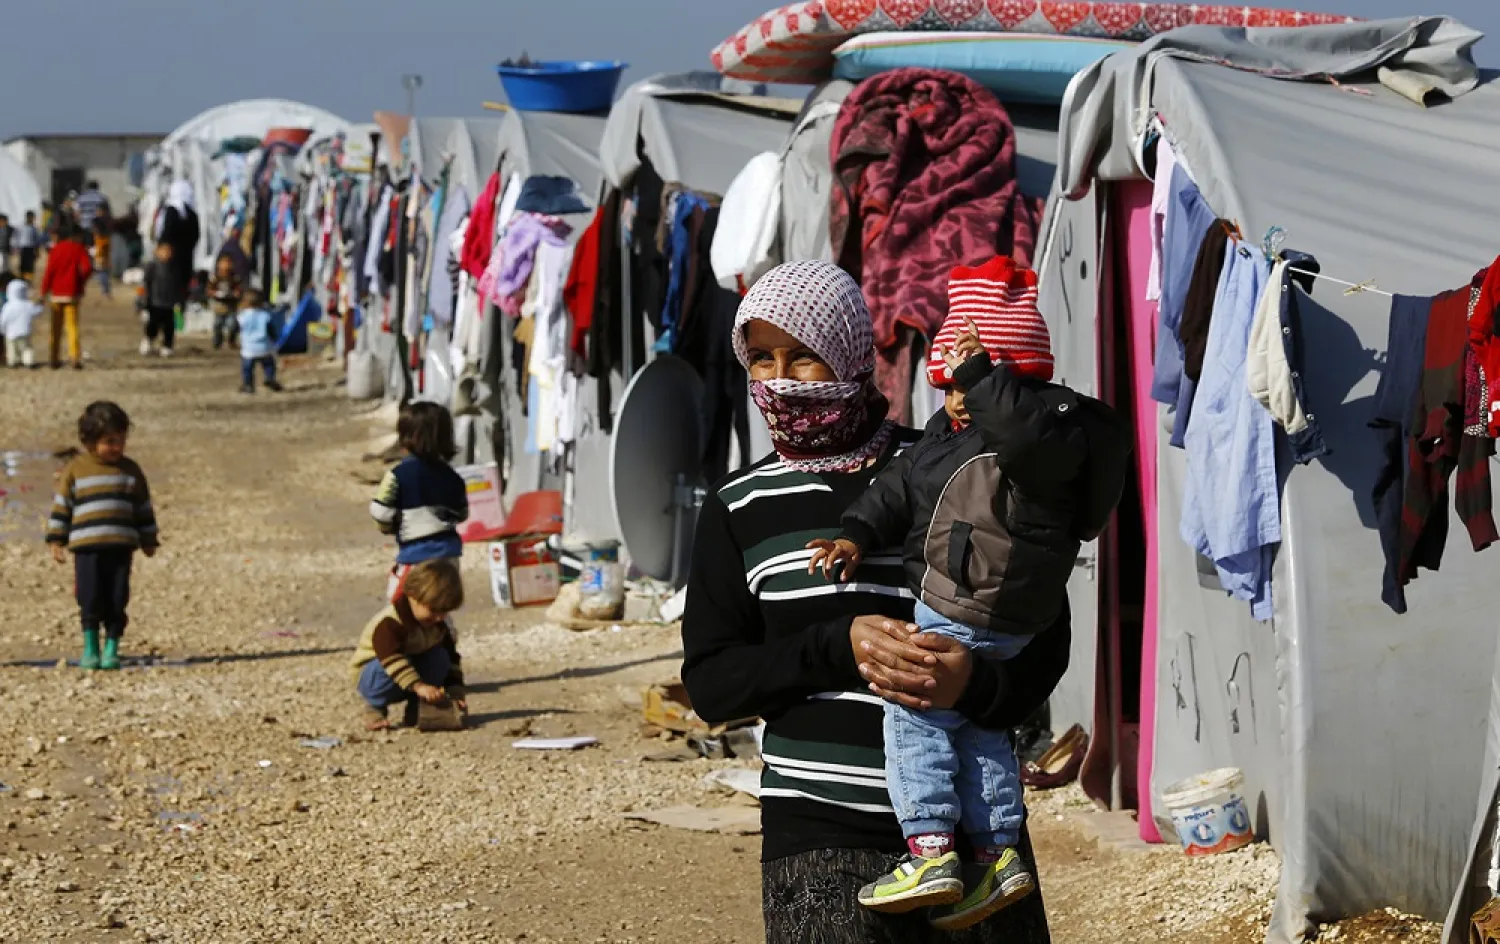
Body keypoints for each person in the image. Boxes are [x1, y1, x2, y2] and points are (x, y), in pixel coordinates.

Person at [680, 260, 1066, 943]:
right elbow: (714, 683)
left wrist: (971, 682)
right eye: (762, 358)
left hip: (975, 841)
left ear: (853, 355)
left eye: (803, 357)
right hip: (819, 835)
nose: (778, 379)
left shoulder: (951, 468)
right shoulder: (738, 508)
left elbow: (1043, 633)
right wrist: (840, 645)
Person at [803, 258, 1095, 926]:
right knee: (980, 727)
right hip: (980, 607)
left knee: (913, 704)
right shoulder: (951, 435)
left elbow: (1017, 435)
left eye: (975, 383)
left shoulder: (1032, 438)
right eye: (950, 385)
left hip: (969, 598)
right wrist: (855, 533)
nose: (958, 399)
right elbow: (900, 486)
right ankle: (998, 855)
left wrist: (981, 379)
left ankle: (930, 848)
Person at [45, 401, 159, 671]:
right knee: (89, 596)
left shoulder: (130, 471)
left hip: (120, 548)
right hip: (86, 548)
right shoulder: (76, 469)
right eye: (109, 441)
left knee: (117, 597)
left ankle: (112, 648)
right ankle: (90, 648)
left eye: (121, 441)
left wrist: (148, 538)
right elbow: (63, 505)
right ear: (89, 441)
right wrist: (56, 538)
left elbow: (142, 507)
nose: (116, 447)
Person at [350, 558, 467, 731]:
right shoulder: (391, 622)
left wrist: (455, 691)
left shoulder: (438, 626)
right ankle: (375, 707)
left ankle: (417, 708)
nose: (439, 618)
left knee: (439, 656)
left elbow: (451, 659)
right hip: (374, 675)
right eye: (433, 610)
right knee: (389, 663)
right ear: (413, 596)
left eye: (444, 612)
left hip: (409, 676)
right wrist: (419, 686)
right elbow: (390, 657)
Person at [370, 402, 468, 601]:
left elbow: (380, 511)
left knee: (401, 603)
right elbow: (462, 513)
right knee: (440, 604)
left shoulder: (397, 475)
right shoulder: (453, 477)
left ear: (405, 438)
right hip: (449, 556)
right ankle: (444, 633)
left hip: (416, 555)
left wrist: (388, 527)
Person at [40, 220, 92, 370]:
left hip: (56, 293)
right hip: (72, 292)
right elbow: (87, 268)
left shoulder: (55, 250)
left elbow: (49, 272)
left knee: (55, 328)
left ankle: (54, 358)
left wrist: (44, 291)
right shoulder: (78, 249)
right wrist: (81, 280)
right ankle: (74, 356)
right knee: (72, 326)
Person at [156, 180, 200, 311]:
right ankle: (180, 314)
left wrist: (162, 247)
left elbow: (165, 233)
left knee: (169, 287)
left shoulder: (170, 211)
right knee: (182, 286)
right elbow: (197, 235)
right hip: (186, 256)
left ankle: (171, 315)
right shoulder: (192, 213)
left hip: (170, 257)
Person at [139, 243, 180, 357]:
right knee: (153, 325)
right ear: (157, 252)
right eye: (163, 251)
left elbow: (177, 286)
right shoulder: (152, 266)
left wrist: (178, 301)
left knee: (169, 327)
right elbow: (145, 284)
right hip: (154, 302)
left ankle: (167, 346)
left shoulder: (174, 268)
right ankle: (148, 340)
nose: (166, 254)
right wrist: (144, 304)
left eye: (168, 251)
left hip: (169, 303)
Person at [237, 289, 281, 393]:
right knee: (269, 364)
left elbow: (235, 327)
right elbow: (271, 330)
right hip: (265, 347)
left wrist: (232, 338)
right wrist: (275, 340)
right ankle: (270, 378)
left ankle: (248, 385)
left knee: (247, 369)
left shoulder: (242, 316)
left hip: (249, 348)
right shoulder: (265, 316)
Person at [0, 279, 42, 368]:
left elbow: (3, 319)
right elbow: (37, 311)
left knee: (12, 349)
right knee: (26, 348)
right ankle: (29, 362)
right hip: (25, 331)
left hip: (11, 333)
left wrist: (2, 329)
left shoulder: (8, 306)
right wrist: (40, 305)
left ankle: (12, 362)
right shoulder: (27, 304)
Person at [207, 253, 243, 350]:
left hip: (231, 306)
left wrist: (235, 293)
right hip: (219, 306)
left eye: (228, 263)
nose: (226, 265)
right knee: (218, 324)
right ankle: (217, 342)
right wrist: (216, 293)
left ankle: (231, 341)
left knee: (232, 324)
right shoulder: (215, 277)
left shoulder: (234, 277)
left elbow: (239, 290)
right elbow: (209, 290)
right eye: (223, 263)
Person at [16, 211, 42, 281]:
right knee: (23, 265)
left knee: (30, 266)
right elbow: (17, 238)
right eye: (31, 217)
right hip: (23, 248)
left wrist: (37, 251)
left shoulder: (34, 228)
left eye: (33, 217)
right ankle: (22, 279)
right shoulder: (21, 227)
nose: (32, 219)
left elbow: (37, 241)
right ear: (27, 217)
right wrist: (17, 248)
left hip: (31, 249)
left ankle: (28, 280)